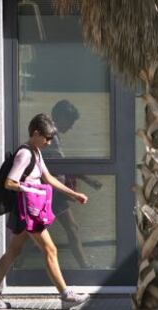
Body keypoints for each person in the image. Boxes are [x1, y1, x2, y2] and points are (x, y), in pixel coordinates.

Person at [0, 114, 90, 310]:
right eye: (46, 138)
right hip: (28, 212)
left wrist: (74, 194)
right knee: (50, 250)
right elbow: (10, 182)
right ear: (36, 133)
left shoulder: (36, 152)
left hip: (29, 211)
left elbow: (48, 178)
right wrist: (32, 189)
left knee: (14, 251)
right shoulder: (25, 154)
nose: (49, 142)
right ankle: (66, 296)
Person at [43, 99, 102, 269]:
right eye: (70, 122)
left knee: (32, 233)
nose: (71, 127)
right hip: (52, 193)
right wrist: (88, 179)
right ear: (61, 117)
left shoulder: (51, 134)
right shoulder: (50, 137)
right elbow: (62, 164)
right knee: (72, 229)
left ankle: (16, 264)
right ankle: (85, 269)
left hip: (52, 192)